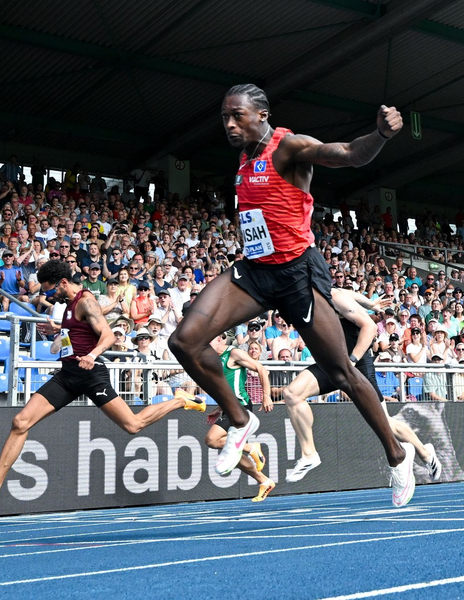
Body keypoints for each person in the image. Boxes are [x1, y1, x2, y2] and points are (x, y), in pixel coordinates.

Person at [167, 84, 415, 506]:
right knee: (184, 341)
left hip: (297, 273)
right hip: (256, 271)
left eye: (237, 116)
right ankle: (240, 421)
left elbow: (349, 154)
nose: (228, 124)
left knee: (342, 374)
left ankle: (397, 456)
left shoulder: (290, 148)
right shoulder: (244, 156)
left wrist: (382, 136)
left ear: (261, 115)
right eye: (224, 117)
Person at [0, 259, 206, 509]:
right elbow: (71, 337)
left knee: (133, 424)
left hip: (91, 374)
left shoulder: (85, 301)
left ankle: (179, 400)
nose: (48, 294)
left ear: (63, 282)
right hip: (68, 375)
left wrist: (92, 355)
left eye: (51, 289)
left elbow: (106, 335)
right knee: (20, 422)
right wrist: (58, 333)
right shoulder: (68, 306)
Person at [281, 289, 441, 484]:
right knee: (292, 393)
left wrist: (352, 359)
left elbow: (370, 328)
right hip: (332, 361)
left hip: (356, 362)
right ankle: (309, 454)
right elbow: (351, 294)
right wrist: (370, 303)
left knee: (385, 423)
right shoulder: (303, 301)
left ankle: (425, 453)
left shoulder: (332, 297)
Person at [204, 333, 275, 502]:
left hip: (240, 406)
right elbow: (226, 388)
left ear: (220, 338)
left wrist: (266, 396)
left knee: (212, 440)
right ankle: (264, 481)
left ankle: (251, 448)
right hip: (228, 407)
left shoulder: (233, 353)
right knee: (231, 452)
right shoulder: (215, 360)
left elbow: (261, 369)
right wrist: (218, 408)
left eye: (209, 340)